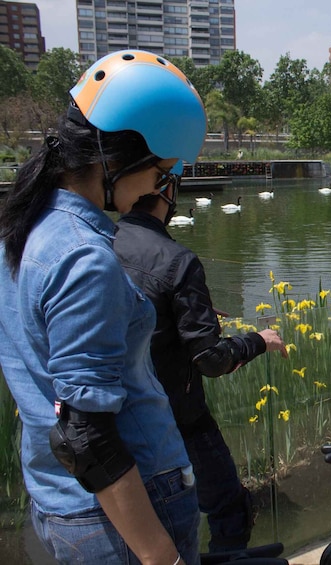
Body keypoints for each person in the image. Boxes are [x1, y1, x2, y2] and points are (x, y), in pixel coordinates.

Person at [0, 50, 207, 564]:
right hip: (127, 516)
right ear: (121, 157)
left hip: (59, 501)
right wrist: (164, 558)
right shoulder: (84, 259)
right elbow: (88, 435)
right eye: (161, 173)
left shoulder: (21, 232)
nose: (158, 191)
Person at [113, 170, 288, 552]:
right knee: (229, 508)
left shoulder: (102, 244)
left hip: (118, 420)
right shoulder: (177, 261)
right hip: (180, 418)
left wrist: (190, 312)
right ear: (168, 192)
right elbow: (210, 359)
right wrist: (258, 341)